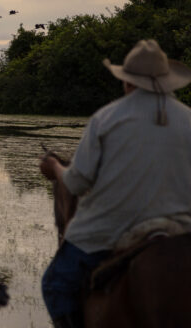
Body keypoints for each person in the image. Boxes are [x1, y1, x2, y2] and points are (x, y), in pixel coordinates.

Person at [39, 39, 191, 328]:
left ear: (127, 83)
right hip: (182, 229)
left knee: (56, 284)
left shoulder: (107, 118)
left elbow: (76, 182)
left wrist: (56, 167)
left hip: (111, 228)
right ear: (166, 80)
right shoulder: (189, 119)